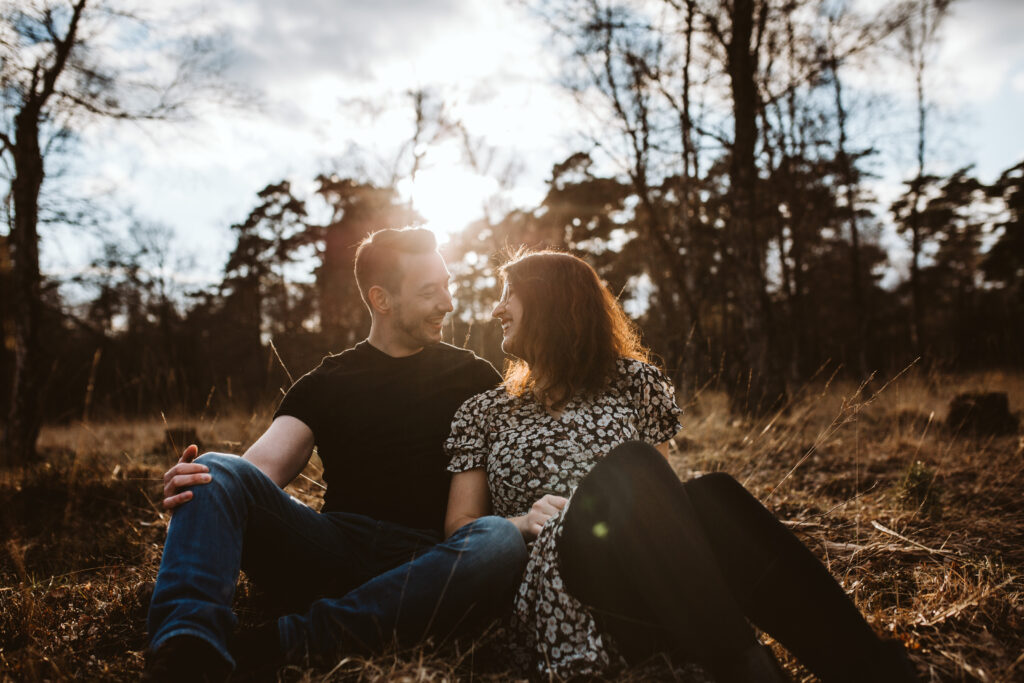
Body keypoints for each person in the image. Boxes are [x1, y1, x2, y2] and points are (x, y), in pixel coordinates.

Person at [444, 250, 917, 682]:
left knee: (713, 493)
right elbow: (459, 529)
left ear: (551, 302)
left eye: (509, 293)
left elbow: (664, 503)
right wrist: (523, 522)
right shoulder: (483, 412)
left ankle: (871, 671)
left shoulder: (634, 383)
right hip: (559, 589)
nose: (496, 309)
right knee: (634, 465)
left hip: (653, 584)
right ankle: (746, 670)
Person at [144, 228, 528, 682]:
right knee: (213, 469)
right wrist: (208, 484)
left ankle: (287, 643)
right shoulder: (327, 381)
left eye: (448, 286)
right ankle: (188, 647)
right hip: (330, 550)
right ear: (381, 300)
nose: (447, 303)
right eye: (429, 292)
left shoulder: (474, 376)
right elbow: (257, 471)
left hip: (428, 564)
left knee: (499, 542)